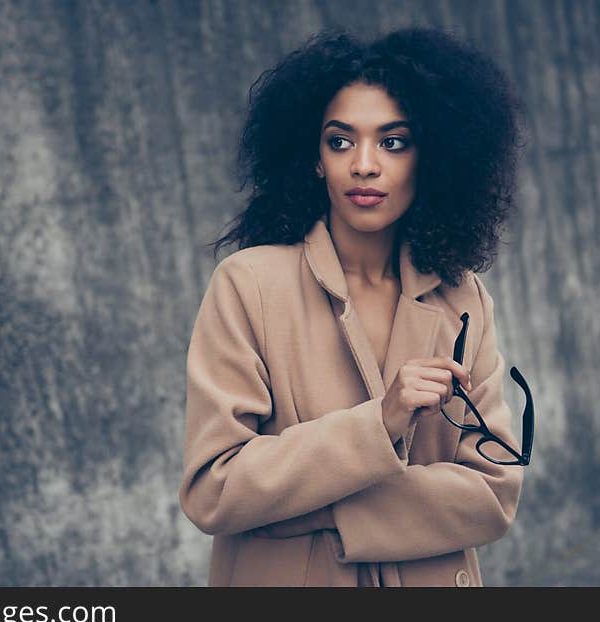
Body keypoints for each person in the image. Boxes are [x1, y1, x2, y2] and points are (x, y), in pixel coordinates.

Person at [178, 26, 527, 587]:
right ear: (314, 158)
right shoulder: (249, 286)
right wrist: (379, 425)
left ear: (430, 156)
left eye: (393, 141)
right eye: (340, 141)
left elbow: (494, 493)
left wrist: (312, 512)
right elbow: (214, 487)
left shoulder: (464, 300)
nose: (364, 164)